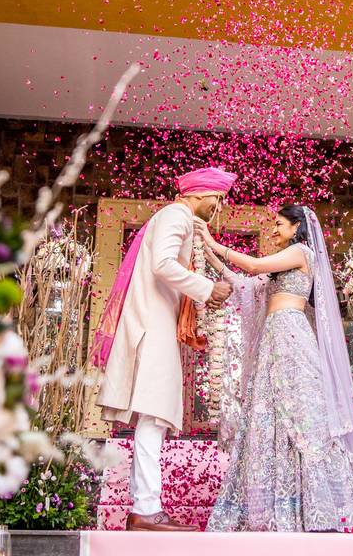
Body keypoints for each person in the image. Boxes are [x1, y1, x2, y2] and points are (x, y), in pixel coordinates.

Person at [195, 204, 353, 532]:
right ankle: (277, 506)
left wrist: (212, 240)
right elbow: (243, 283)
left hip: (292, 335)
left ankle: (322, 507)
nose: (274, 229)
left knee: (303, 415)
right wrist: (208, 255)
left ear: (297, 227)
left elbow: (251, 264)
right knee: (270, 414)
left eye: (280, 224)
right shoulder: (282, 264)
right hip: (274, 337)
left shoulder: (302, 252)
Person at [92, 167, 236, 531]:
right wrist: (206, 289)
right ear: (199, 195)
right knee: (154, 415)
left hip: (155, 325)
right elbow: (162, 265)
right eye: (216, 199)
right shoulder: (177, 215)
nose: (217, 207)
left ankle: (146, 506)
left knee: (152, 417)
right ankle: (145, 509)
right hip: (152, 327)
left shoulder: (173, 217)